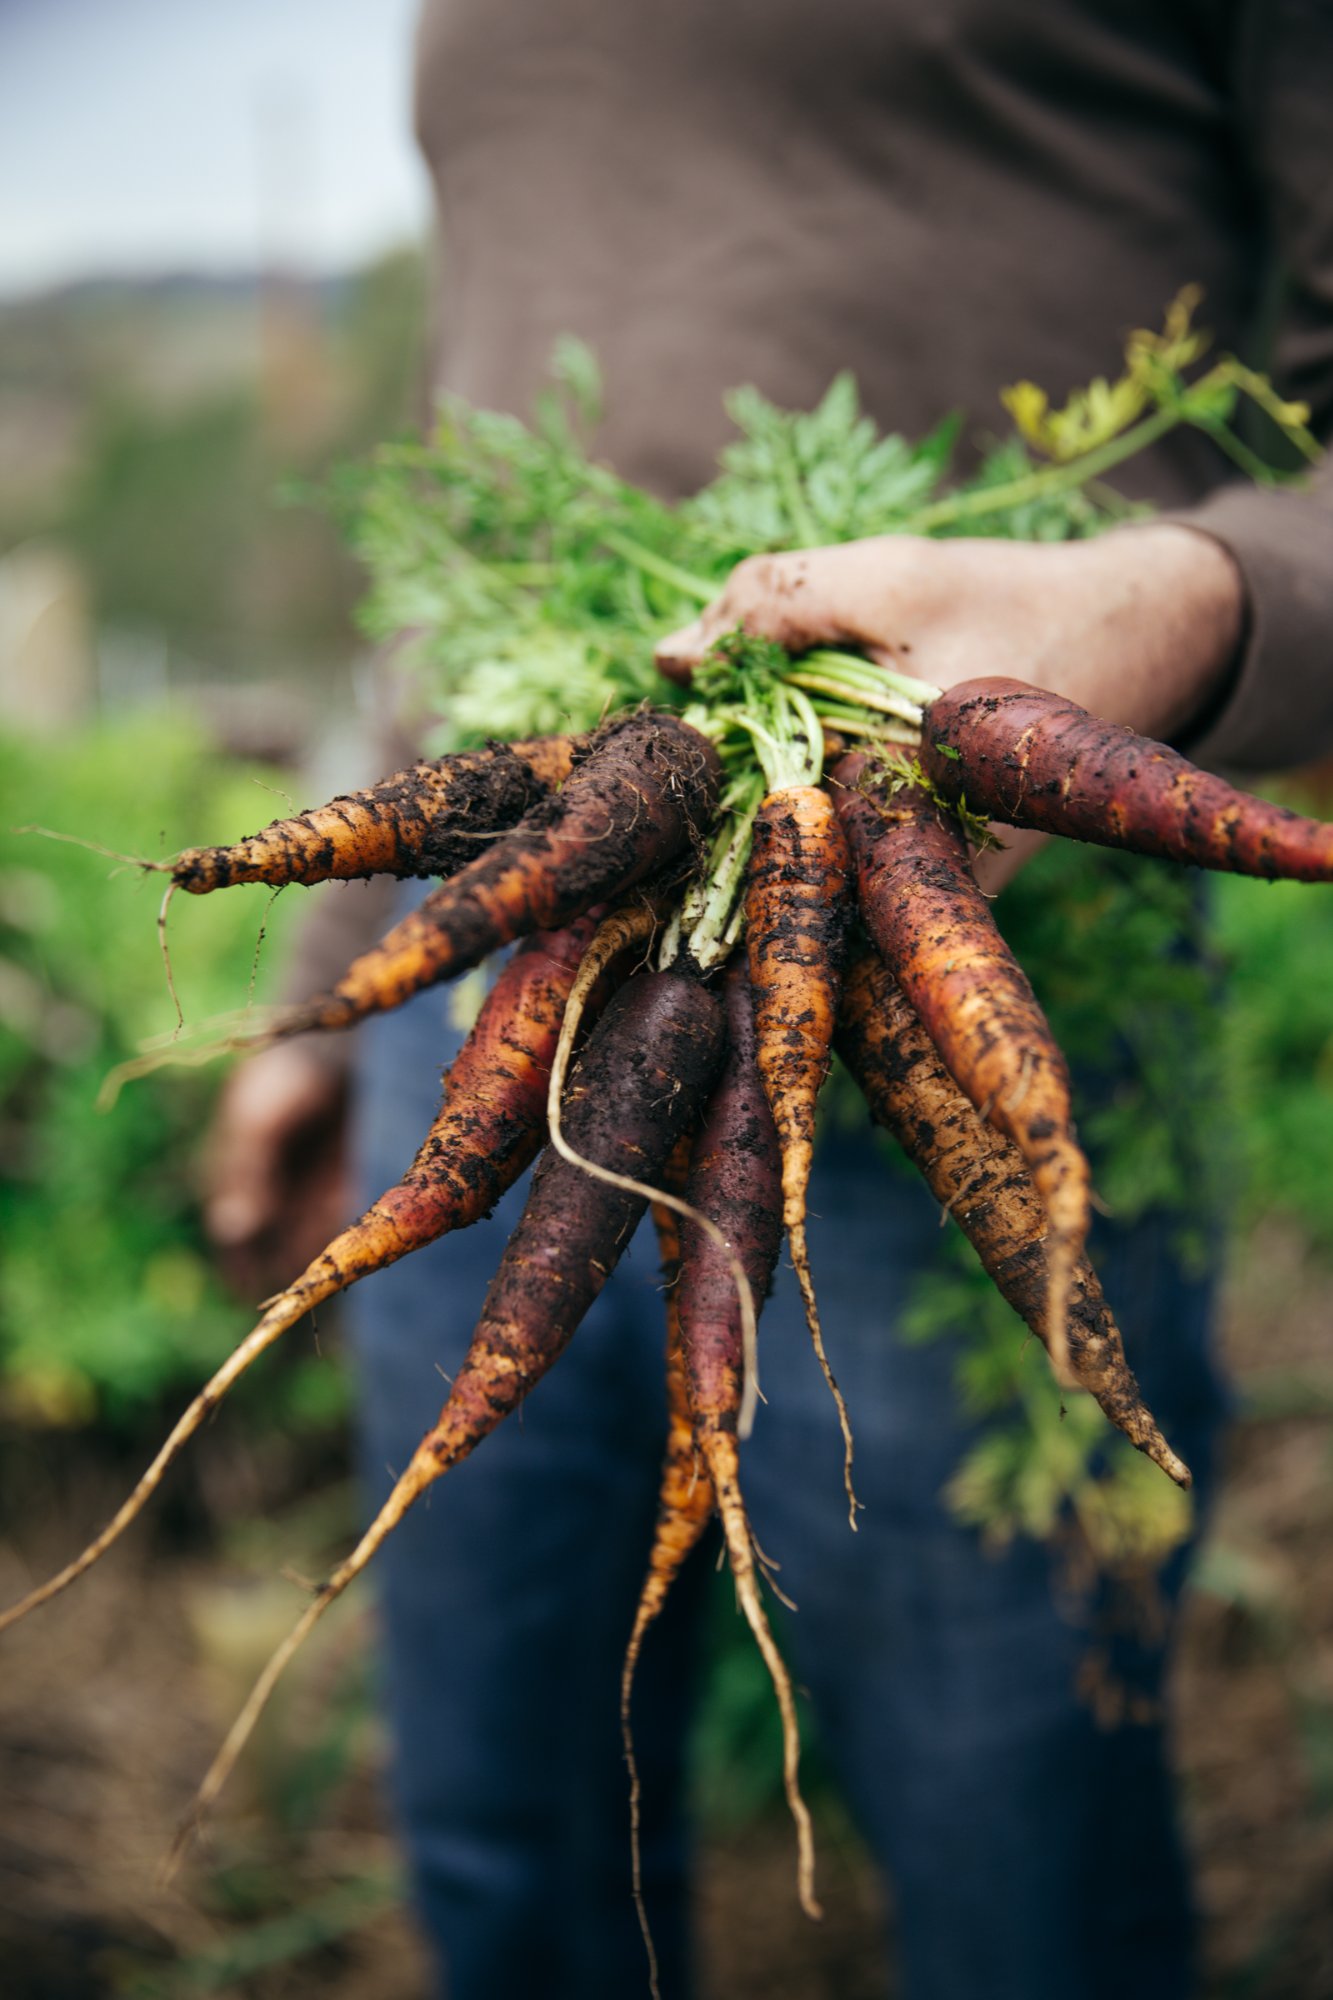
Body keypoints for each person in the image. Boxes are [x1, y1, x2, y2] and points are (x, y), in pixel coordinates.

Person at [205, 5, 1333, 1995]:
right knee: (490, 1826)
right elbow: (472, 465)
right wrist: (330, 980)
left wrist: (1163, 612)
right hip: (494, 983)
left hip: (980, 965)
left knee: (1025, 1887)